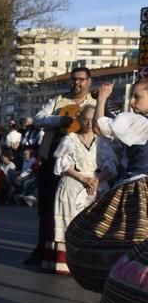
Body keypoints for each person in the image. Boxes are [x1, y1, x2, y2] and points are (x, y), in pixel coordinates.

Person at [64, 80, 148, 303]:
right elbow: (103, 128)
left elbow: (100, 126)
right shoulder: (138, 122)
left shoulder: (139, 122)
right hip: (134, 186)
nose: (132, 102)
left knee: (121, 246)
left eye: (137, 96)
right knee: (130, 249)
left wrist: (102, 99)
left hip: (138, 188)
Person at [25, 67, 96, 266]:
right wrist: (59, 120)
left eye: (81, 79)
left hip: (82, 165)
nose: (76, 83)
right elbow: (38, 119)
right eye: (73, 79)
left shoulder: (96, 104)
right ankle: (43, 249)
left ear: (89, 81)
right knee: (47, 207)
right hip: (52, 161)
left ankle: (77, 253)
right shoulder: (58, 100)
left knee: (81, 207)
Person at [49, 105, 116, 274]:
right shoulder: (70, 139)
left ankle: (90, 263)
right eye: (85, 119)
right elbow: (63, 166)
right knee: (70, 223)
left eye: (92, 120)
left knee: (95, 224)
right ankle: (66, 263)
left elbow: (111, 168)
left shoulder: (104, 142)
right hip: (73, 183)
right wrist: (83, 178)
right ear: (79, 119)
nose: (88, 123)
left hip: (97, 186)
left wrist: (96, 179)